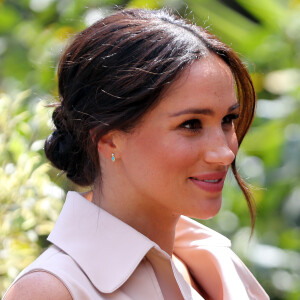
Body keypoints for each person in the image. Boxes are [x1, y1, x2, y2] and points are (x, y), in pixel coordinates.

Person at [3, 8, 269, 300]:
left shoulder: (216, 262)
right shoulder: (52, 291)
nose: (224, 153)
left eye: (227, 120)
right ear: (108, 139)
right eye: (191, 124)